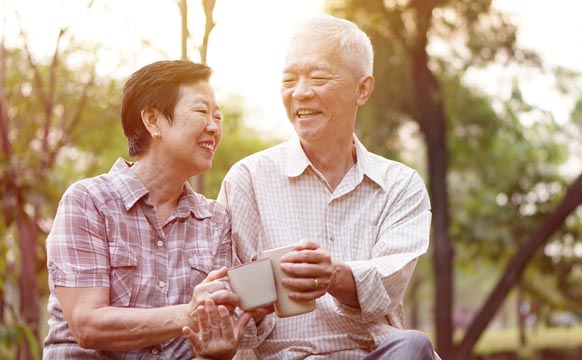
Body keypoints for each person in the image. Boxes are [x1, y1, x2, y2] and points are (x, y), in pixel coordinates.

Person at [216, 14, 437, 359]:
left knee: (413, 345)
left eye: (318, 77)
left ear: (362, 89)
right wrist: (247, 305)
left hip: (378, 353)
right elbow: (230, 309)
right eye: (289, 80)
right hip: (288, 355)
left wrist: (332, 275)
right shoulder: (247, 179)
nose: (300, 93)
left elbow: (388, 285)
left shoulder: (400, 185)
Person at [43, 60, 256, 359]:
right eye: (201, 111)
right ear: (153, 121)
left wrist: (215, 351)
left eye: (217, 116)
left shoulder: (215, 220)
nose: (214, 126)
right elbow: (87, 325)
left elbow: (210, 336)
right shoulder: (88, 201)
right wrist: (190, 314)